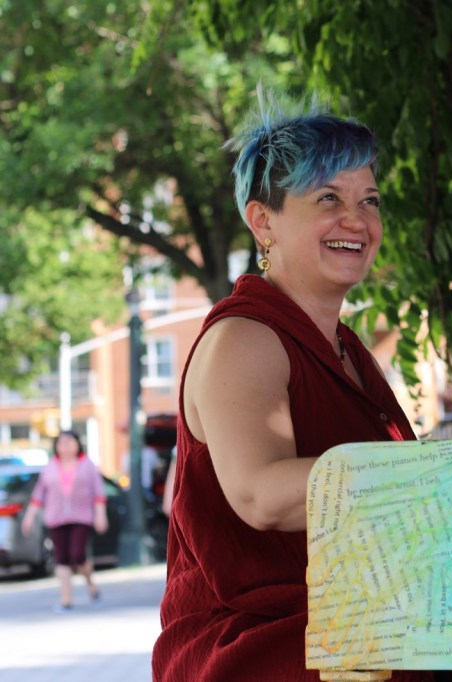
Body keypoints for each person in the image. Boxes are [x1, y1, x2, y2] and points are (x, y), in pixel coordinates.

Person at [152, 92, 427, 681]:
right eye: (328, 198)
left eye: (369, 200)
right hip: (264, 652)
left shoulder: (347, 349)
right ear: (263, 221)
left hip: (360, 635)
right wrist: (438, 474)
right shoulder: (244, 337)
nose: (357, 220)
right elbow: (260, 494)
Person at [20, 430, 108, 612]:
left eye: (69, 442)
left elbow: (98, 492)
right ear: (56, 446)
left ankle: (90, 583)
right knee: (61, 558)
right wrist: (29, 517)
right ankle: (66, 600)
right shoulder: (50, 466)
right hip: (56, 518)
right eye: (61, 443)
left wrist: (100, 515)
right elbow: (39, 494)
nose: (65, 447)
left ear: (77, 444)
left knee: (78, 555)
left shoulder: (87, 465)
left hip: (81, 517)